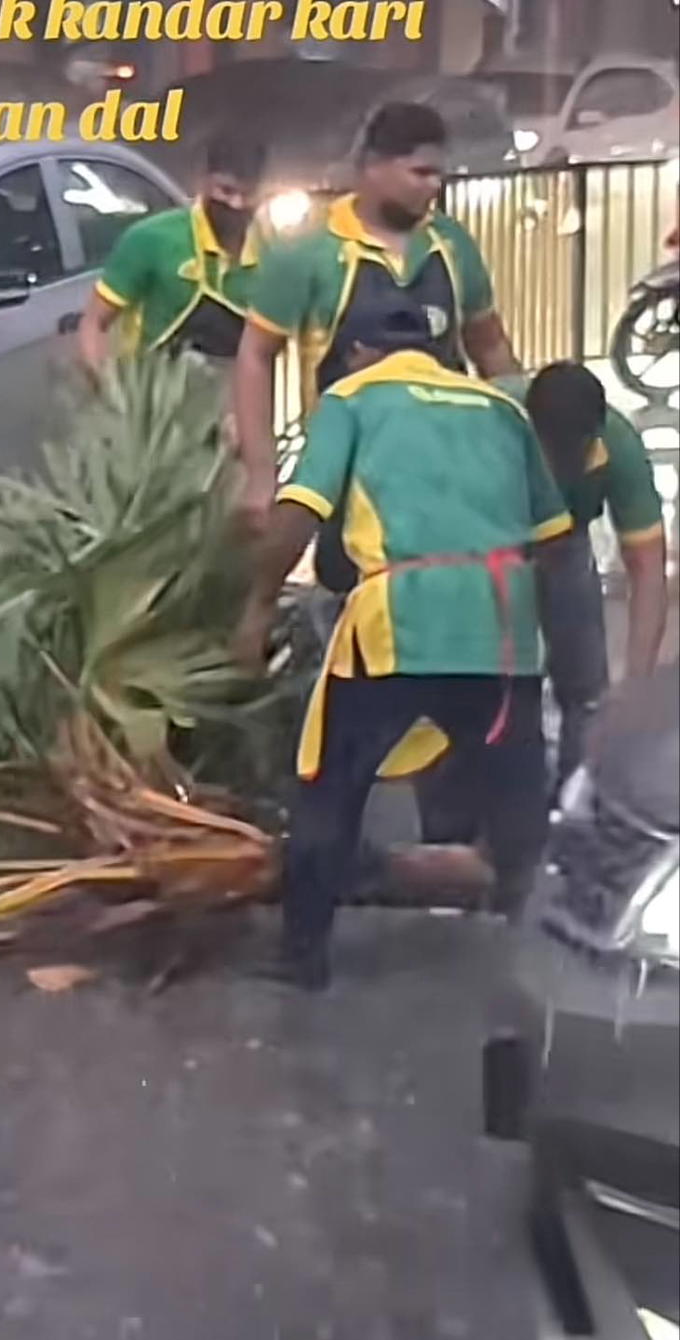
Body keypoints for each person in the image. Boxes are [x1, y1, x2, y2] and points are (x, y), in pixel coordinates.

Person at [234, 306, 571, 990]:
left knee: (329, 789)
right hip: (503, 631)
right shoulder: (501, 407)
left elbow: (301, 510)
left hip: (399, 624)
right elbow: (557, 538)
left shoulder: (353, 397)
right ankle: (554, 957)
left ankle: (302, 959)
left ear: (357, 350)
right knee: (517, 804)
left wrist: (257, 608)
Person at [233, 102, 518, 535]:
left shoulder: (452, 243)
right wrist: (260, 473)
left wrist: (521, 439)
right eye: (420, 173)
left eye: (439, 174)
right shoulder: (309, 248)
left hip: (449, 465)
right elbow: (255, 355)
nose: (434, 186)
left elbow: (491, 347)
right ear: (373, 167)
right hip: (352, 474)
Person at [417, 360, 667, 839]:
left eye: (573, 456)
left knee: (589, 691)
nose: (562, 466)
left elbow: (648, 567)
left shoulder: (615, 447)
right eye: (552, 455)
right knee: (476, 687)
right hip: (474, 544)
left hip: (564, 546)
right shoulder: (480, 430)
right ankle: (451, 828)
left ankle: (572, 818)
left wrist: (636, 684)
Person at [76, 129, 268, 378]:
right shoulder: (151, 239)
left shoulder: (274, 248)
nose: (237, 204)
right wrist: (107, 388)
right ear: (203, 182)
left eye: (247, 194)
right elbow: (94, 323)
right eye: (226, 191)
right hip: (155, 397)